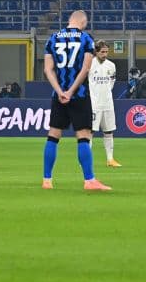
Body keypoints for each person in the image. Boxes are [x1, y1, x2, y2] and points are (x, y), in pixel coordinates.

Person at [42, 10, 110, 191]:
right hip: (78, 94)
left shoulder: (53, 38)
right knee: (83, 136)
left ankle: (47, 180)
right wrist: (71, 91)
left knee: (53, 135)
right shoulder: (86, 39)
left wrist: (60, 91)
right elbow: (86, 68)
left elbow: (48, 70)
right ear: (83, 21)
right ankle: (89, 180)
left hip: (58, 95)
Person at [89, 40, 121, 167]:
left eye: (107, 52)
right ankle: (86, 160)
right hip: (94, 103)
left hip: (108, 102)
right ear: (96, 51)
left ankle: (110, 159)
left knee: (109, 131)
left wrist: (105, 93)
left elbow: (111, 83)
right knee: (90, 132)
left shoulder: (111, 66)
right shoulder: (89, 64)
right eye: (102, 52)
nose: (105, 54)